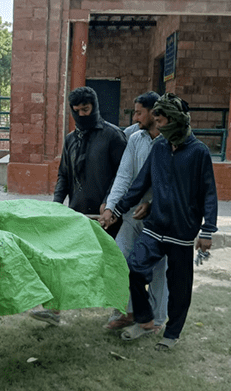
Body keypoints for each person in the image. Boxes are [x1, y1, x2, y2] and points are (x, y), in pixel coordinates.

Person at [101, 93, 217, 350]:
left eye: (162, 121)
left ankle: (171, 334)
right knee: (132, 267)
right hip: (154, 228)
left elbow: (208, 193)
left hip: (182, 233)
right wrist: (116, 210)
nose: (159, 126)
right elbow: (139, 183)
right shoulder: (160, 148)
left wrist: (207, 230)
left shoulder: (199, 153)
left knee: (179, 287)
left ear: (175, 120)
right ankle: (144, 317)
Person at [30, 86, 127, 325]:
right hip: (77, 213)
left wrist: (110, 205)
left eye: (87, 109)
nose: (82, 115)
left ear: (95, 106)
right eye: (77, 111)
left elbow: (122, 175)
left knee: (112, 263)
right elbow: (64, 175)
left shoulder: (113, 136)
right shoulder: (70, 140)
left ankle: (120, 310)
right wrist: (56, 205)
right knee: (60, 259)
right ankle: (54, 310)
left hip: (108, 215)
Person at [99, 91, 168, 332]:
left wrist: (152, 205)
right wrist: (111, 208)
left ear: (153, 112)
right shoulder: (136, 139)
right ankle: (126, 311)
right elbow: (124, 176)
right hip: (131, 215)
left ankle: (157, 319)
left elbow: (174, 184)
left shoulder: (171, 141)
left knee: (159, 268)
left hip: (161, 217)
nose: (136, 117)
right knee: (119, 259)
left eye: (139, 112)